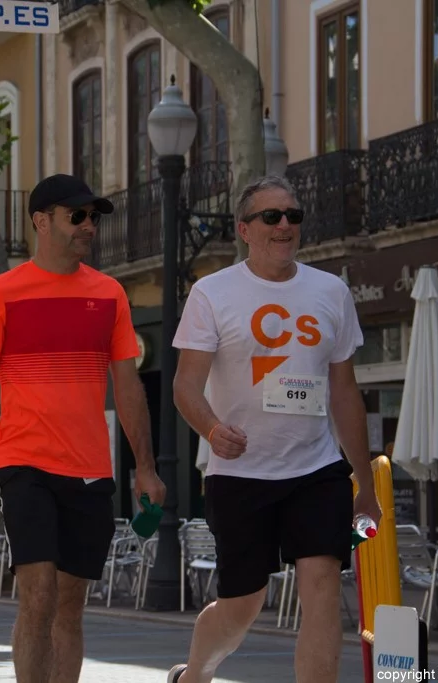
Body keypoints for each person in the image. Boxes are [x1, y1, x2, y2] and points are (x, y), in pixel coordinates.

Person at [0, 173, 166, 683]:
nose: (90, 226)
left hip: (89, 469)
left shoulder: (109, 295)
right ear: (42, 221)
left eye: (94, 216)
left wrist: (146, 469)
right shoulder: (1, 294)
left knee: (70, 602)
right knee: (38, 593)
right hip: (24, 464)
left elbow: (129, 388)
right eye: (77, 215)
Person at [167, 175, 382, 683]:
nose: (285, 225)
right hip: (240, 474)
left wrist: (365, 482)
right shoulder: (211, 293)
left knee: (323, 584)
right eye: (271, 216)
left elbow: (345, 392)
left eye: (293, 216)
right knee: (243, 604)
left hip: (316, 468)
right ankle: (195, 672)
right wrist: (213, 429)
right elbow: (185, 386)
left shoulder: (331, 291)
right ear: (245, 229)